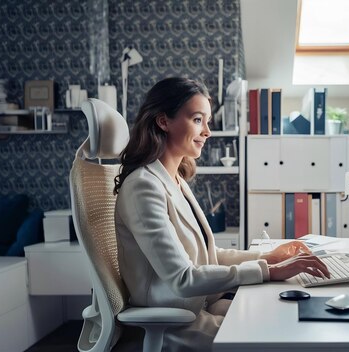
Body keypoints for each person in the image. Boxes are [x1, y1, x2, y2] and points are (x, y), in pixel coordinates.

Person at [113, 77, 329, 352]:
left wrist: (267, 258)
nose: (207, 132)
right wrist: (268, 272)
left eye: (208, 121)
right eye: (197, 120)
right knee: (283, 339)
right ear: (163, 121)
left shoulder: (174, 179)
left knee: (288, 317)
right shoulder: (142, 187)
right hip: (175, 322)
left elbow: (208, 256)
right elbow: (183, 278)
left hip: (201, 306)